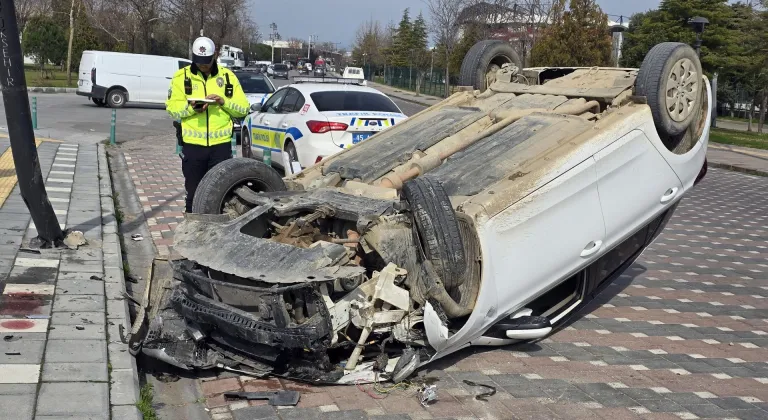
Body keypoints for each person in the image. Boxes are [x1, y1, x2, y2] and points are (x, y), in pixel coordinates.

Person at [166, 36, 249, 213]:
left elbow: (243, 109)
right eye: (199, 61)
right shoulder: (181, 77)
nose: (203, 65)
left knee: (221, 192)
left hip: (220, 147)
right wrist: (191, 108)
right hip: (193, 147)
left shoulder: (227, 77)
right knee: (194, 192)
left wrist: (223, 101)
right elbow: (172, 109)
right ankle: (192, 225)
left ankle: (217, 227)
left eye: (206, 61)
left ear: (214, 56)